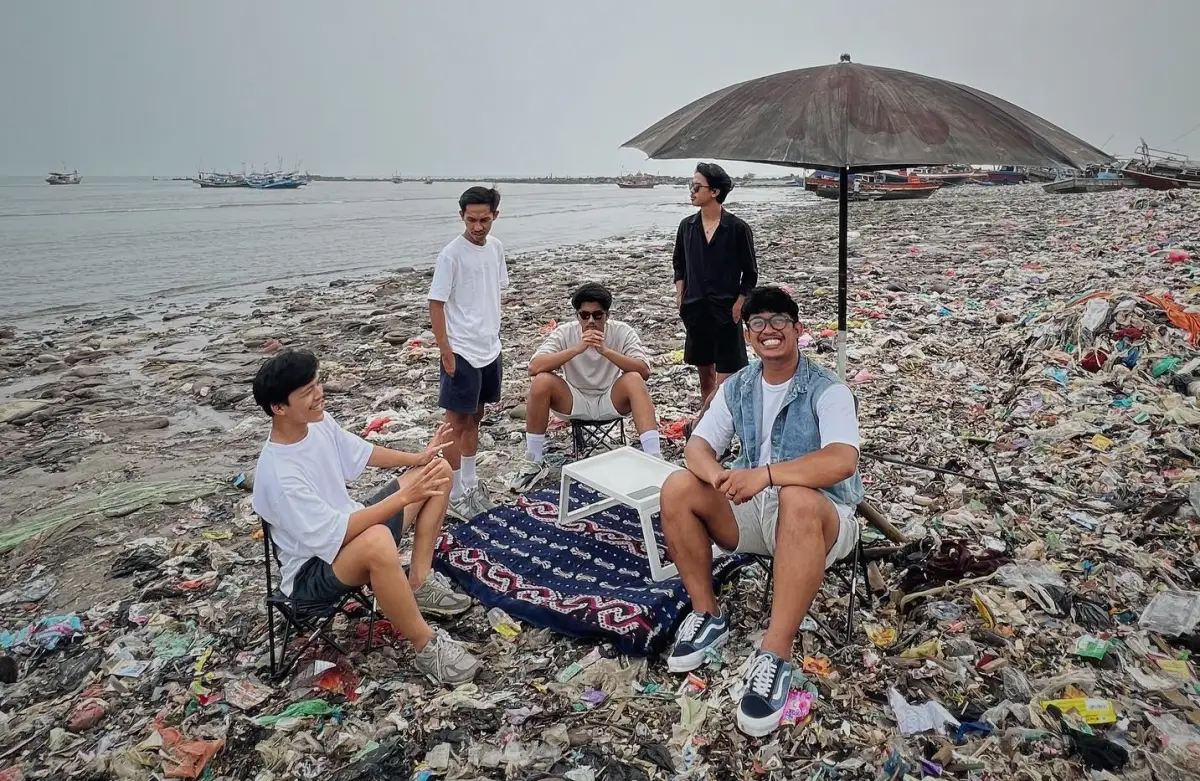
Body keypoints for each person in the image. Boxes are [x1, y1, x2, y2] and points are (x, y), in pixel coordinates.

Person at [659, 286, 864, 737]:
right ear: (748, 335)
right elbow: (697, 445)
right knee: (677, 486)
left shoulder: (828, 390)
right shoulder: (740, 385)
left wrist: (766, 475)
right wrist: (717, 477)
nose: (768, 331)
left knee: (798, 496)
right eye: (757, 324)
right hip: (756, 509)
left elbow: (841, 460)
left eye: (778, 322)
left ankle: (775, 654)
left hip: (824, 519)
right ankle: (707, 614)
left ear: (797, 330)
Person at [250, 348, 479, 685]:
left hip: (350, 532)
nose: (319, 395)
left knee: (438, 471)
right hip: (311, 573)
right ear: (279, 408)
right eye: (307, 392)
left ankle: (418, 582)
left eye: (317, 384)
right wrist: (404, 497)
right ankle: (426, 646)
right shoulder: (279, 475)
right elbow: (335, 534)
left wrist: (420, 457)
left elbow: (362, 452)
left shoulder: (317, 423)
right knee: (376, 540)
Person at [510, 282, 660, 491]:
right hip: (575, 400)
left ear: (607, 316)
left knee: (633, 379)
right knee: (541, 381)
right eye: (584, 316)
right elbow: (534, 367)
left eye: (597, 316)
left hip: (611, 397)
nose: (590, 321)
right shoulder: (566, 332)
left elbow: (644, 371)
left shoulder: (621, 331)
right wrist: (578, 348)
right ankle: (533, 462)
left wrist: (605, 350)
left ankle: (654, 458)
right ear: (577, 316)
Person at [428, 186, 509, 520]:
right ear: (461, 216)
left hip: (489, 347)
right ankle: (453, 492)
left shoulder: (496, 249)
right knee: (455, 422)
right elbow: (436, 303)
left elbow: (494, 291)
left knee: (476, 416)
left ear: (494, 217)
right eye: (472, 220)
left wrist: (493, 331)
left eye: (484, 220)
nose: (478, 226)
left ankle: (471, 484)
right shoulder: (451, 255)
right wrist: (445, 350)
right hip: (461, 349)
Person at [672, 162, 758, 417]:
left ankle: (706, 420)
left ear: (715, 192)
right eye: (691, 185)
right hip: (695, 308)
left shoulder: (737, 228)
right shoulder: (687, 226)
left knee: (726, 377)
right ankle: (708, 421)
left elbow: (750, 271)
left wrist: (740, 302)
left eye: (697, 186)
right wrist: (680, 295)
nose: (692, 190)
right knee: (704, 373)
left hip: (726, 309)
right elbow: (679, 264)